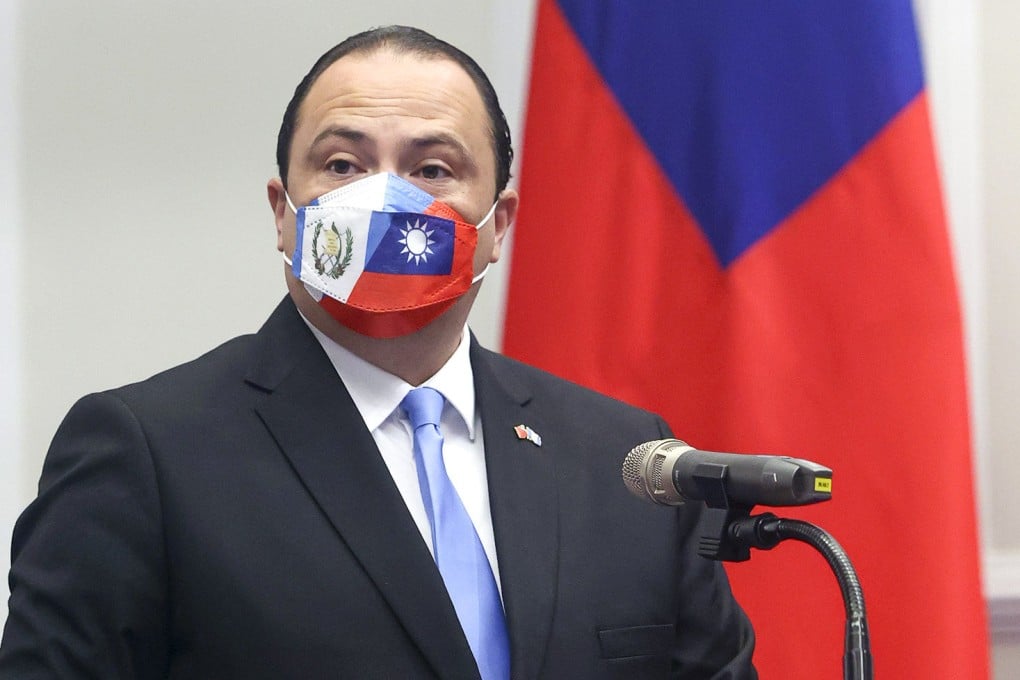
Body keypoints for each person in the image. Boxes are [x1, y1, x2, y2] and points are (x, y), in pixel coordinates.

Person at [0, 26, 756, 679]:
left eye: (432, 170)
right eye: (342, 166)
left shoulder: (626, 462)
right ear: (282, 213)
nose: (383, 199)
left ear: (500, 223)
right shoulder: (146, 453)